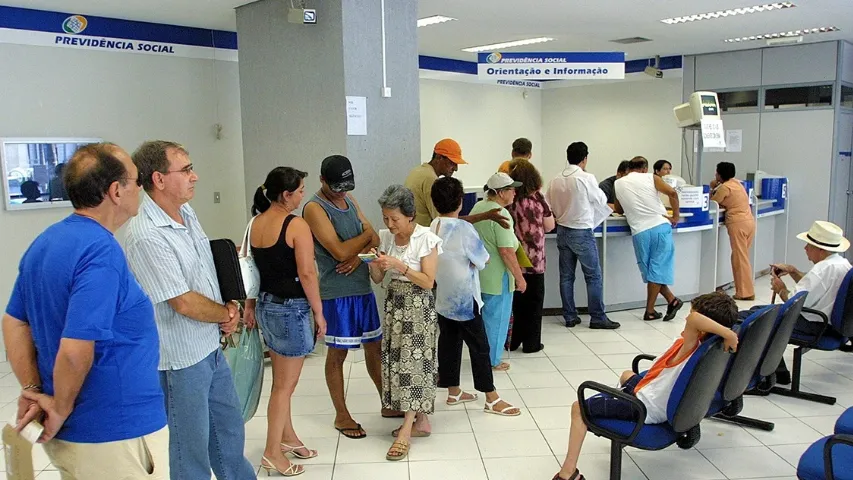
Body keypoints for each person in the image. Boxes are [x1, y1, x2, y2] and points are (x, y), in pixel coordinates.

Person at [3, 143, 168, 479]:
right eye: (136, 182)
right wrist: (60, 408)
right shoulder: (100, 253)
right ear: (115, 191)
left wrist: (35, 391)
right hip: (113, 432)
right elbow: (76, 349)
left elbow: (14, 321)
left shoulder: (47, 242)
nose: (141, 190)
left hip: (78, 435)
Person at [124, 140, 256, 480]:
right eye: (185, 170)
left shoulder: (187, 213)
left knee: (228, 432)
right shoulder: (146, 234)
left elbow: (204, 270)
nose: (194, 177)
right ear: (159, 179)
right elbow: (181, 300)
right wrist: (226, 316)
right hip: (181, 359)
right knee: (190, 449)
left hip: (209, 347)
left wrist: (230, 306)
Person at [552, 292, 739, 480]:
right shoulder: (709, 348)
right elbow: (696, 320)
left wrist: (727, 333)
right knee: (627, 375)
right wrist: (727, 332)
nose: (686, 319)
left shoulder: (692, 345)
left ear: (702, 329)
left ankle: (568, 473)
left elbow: (694, 319)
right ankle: (619, 402)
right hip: (652, 394)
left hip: (645, 407)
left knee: (579, 407)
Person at [243, 167, 327, 476]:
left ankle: (288, 438)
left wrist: (250, 306)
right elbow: (307, 274)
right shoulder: (296, 225)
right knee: (284, 387)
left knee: (282, 383)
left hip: (266, 305)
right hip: (291, 310)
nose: (304, 194)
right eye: (301, 190)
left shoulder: (256, 223)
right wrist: (319, 312)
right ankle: (271, 453)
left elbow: (252, 270)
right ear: (286, 194)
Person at [303, 155, 389, 439]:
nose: (341, 192)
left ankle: (387, 402)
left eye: (345, 186)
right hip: (337, 294)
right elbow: (339, 252)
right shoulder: (315, 208)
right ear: (322, 181)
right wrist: (358, 246)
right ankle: (341, 415)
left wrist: (355, 251)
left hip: (361, 288)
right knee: (337, 354)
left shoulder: (349, 200)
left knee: (374, 348)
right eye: (336, 187)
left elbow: (375, 238)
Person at [430, 176, 521, 417]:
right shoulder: (463, 229)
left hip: (443, 298)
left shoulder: (433, 225)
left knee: (448, 344)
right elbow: (484, 260)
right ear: (460, 201)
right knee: (480, 347)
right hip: (465, 299)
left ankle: (454, 390)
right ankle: (491, 398)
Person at [367, 185, 442, 461]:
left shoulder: (427, 238)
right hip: (394, 305)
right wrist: (374, 263)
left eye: (394, 219)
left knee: (414, 364)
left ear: (410, 216)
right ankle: (420, 421)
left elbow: (428, 281)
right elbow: (378, 279)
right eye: (386, 218)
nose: (389, 224)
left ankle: (406, 432)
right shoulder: (387, 237)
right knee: (397, 362)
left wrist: (398, 266)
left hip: (417, 306)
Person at [765, 221, 851, 384]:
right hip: (831, 323)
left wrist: (781, 289)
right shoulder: (841, 263)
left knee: (762, 321)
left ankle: (777, 374)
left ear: (821, 249)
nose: (805, 249)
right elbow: (819, 286)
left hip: (815, 324)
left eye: (809, 245)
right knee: (760, 312)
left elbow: (793, 303)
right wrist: (793, 271)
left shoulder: (821, 270)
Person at [546, 142, 620, 329]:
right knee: (593, 276)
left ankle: (570, 316)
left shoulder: (555, 179)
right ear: (584, 158)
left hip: (562, 230)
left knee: (566, 276)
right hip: (581, 232)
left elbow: (547, 205)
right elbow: (602, 199)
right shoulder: (585, 178)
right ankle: (597, 317)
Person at [614, 156, 684, 322]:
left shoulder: (618, 183)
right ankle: (666, 303)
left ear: (629, 168)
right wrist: (675, 216)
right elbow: (673, 193)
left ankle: (656, 308)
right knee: (656, 271)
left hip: (639, 231)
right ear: (645, 168)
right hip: (659, 226)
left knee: (649, 271)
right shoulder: (652, 177)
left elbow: (618, 208)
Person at [470, 173, 527, 371]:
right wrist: (519, 278)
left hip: (480, 274)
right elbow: (506, 251)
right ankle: (492, 360)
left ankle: (480, 356)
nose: (514, 193)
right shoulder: (501, 214)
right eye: (511, 189)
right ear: (501, 193)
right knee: (497, 319)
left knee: (484, 318)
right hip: (498, 277)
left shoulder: (478, 207)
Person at [506, 158, 556, 352]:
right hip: (535, 259)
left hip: (515, 258)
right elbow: (550, 226)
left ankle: (514, 340)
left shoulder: (510, 200)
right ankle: (531, 343)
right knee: (535, 303)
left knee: (517, 302)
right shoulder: (537, 200)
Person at [405, 138, 510, 228]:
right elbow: (446, 222)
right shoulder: (430, 179)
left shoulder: (418, 171)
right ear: (439, 157)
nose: (456, 168)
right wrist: (485, 216)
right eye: (452, 163)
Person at [710, 162, 756, 300]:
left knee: (739, 259)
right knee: (742, 257)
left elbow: (713, 202)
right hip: (749, 222)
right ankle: (745, 289)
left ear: (720, 174)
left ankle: (745, 293)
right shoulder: (737, 183)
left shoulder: (725, 187)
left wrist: (713, 187)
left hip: (738, 224)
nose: (715, 174)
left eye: (716, 172)